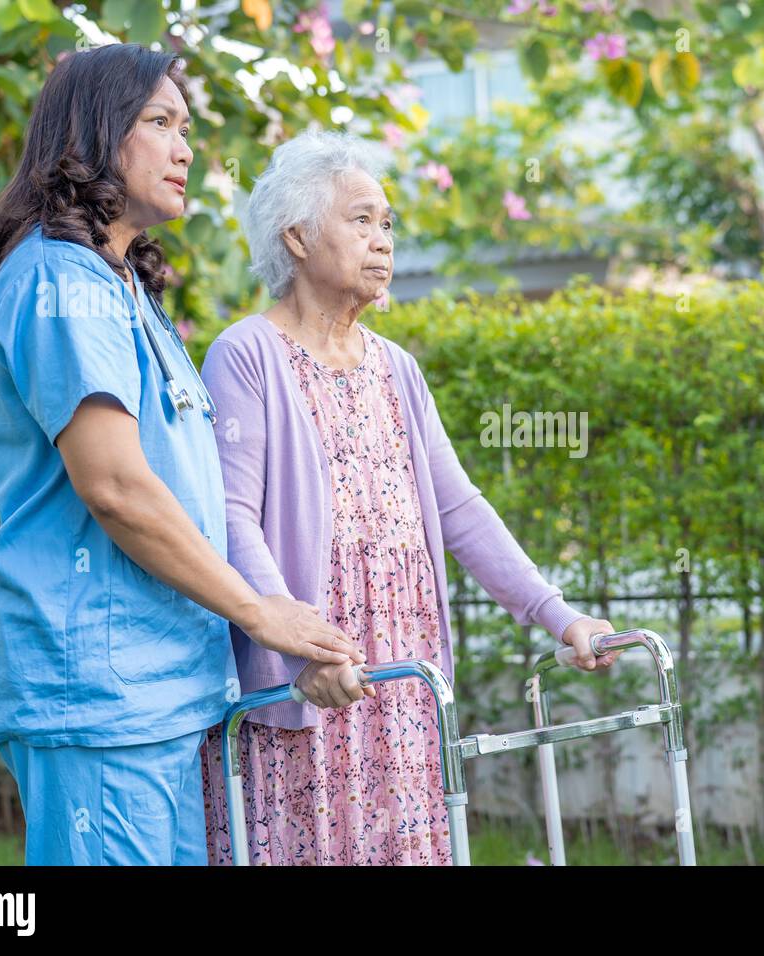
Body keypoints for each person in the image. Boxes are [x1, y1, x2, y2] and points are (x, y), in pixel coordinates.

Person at [0, 44, 360, 866]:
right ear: (95, 132)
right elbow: (114, 487)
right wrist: (260, 610)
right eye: (161, 123)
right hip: (98, 693)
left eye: (189, 128)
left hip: (162, 691)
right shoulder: (58, 278)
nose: (186, 149)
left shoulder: (122, 287)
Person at [198, 129, 618, 865]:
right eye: (360, 219)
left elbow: (461, 511)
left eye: (387, 222)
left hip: (401, 679)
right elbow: (230, 517)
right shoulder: (246, 355)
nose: (382, 238)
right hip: (313, 677)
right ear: (296, 236)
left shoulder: (398, 369)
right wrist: (296, 646)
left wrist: (560, 615)